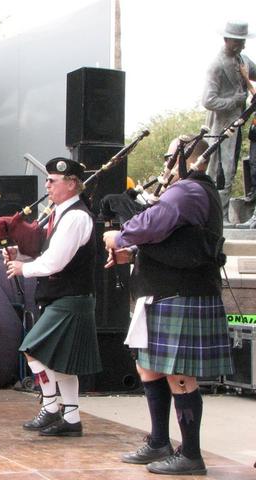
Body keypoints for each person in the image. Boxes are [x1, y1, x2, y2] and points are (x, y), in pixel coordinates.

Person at [103, 137, 233, 475]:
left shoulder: (189, 190)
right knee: (149, 368)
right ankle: (159, 441)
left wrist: (119, 236)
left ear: (188, 158)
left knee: (178, 374)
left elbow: (151, 224)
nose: (164, 164)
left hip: (181, 292)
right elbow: (168, 239)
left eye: (168, 156)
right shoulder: (185, 191)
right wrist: (131, 252)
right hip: (161, 291)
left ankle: (190, 453)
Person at [4, 158, 101, 437]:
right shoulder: (59, 213)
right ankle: (71, 419)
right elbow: (48, 255)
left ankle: (50, 407)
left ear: (71, 184)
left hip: (71, 297)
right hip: (64, 296)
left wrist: (24, 268)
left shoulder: (75, 217)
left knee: (32, 350)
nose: (46, 185)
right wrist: (19, 255)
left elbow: (55, 262)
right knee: (64, 363)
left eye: (52, 181)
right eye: (47, 180)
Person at [202, 21, 256, 223]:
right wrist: (235, 100)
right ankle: (219, 218)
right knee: (219, 171)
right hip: (220, 127)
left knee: (230, 169)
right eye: (239, 41)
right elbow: (208, 100)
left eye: (243, 41)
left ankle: (223, 216)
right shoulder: (216, 66)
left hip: (237, 125)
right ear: (227, 40)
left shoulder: (243, 60)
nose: (242, 45)